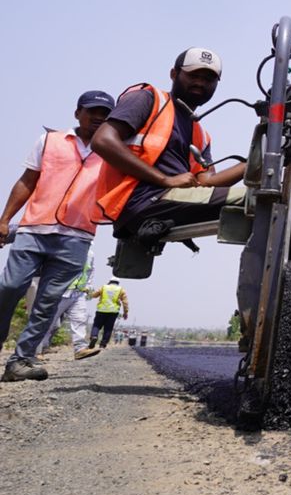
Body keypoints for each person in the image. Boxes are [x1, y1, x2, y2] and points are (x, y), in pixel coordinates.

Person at [0, 91, 115, 382]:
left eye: (105, 114)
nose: (99, 118)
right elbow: (27, 181)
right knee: (10, 286)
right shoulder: (50, 141)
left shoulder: (113, 152)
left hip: (77, 237)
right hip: (34, 229)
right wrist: (5, 220)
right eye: (93, 112)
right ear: (78, 113)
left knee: (47, 303)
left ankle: (21, 360)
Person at [92, 48, 247, 242]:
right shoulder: (148, 99)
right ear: (174, 74)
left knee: (262, 201)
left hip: (169, 198)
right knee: (255, 199)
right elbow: (102, 141)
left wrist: (253, 164)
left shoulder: (201, 134)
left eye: (208, 79)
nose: (200, 83)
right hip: (142, 199)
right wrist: (165, 180)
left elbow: (206, 183)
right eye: (193, 75)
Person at [84, 278, 129, 353]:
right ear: (118, 283)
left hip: (101, 310)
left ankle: (94, 336)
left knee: (97, 325)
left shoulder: (104, 287)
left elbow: (94, 295)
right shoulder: (121, 290)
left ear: (109, 282)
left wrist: (88, 292)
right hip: (113, 312)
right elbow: (125, 302)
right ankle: (103, 344)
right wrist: (125, 312)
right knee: (108, 328)